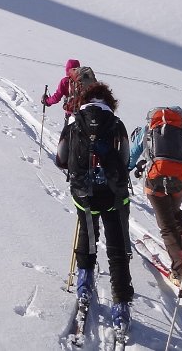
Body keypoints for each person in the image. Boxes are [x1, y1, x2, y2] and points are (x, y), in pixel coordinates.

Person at [56, 82, 134, 328]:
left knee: (88, 237)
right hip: (112, 197)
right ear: (109, 103)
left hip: (84, 195)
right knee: (116, 248)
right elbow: (125, 160)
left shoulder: (74, 123)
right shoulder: (117, 124)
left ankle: (84, 286)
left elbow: (60, 158)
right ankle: (121, 307)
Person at [128, 106, 182, 287]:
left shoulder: (148, 129)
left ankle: (180, 274)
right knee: (174, 212)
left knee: (166, 226)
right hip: (180, 181)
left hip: (155, 181)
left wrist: (126, 168)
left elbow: (131, 156)